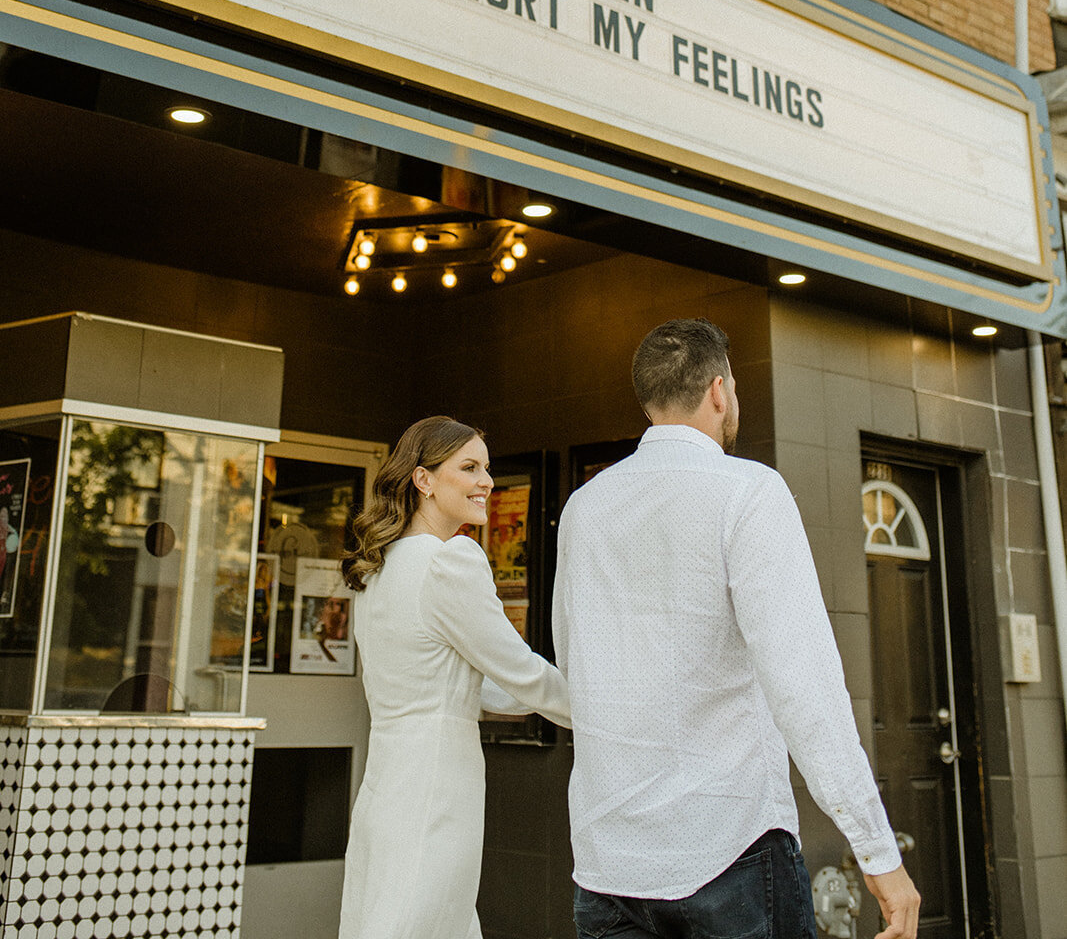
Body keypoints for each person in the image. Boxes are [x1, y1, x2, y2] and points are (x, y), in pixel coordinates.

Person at [552, 318, 921, 939]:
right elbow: (804, 684)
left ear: (649, 399)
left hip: (608, 855)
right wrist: (877, 852)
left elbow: (574, 663)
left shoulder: (585, 506)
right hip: (728, 846)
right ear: (719, 390)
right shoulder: (748, 491)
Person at [338, 415, 570, 939]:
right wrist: (614, 712)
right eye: (469, 467)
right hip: (438, 789)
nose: (486, 481)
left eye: (486, 468)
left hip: (386, 785)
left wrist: (538, 697)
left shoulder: (374, 571)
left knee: (395, 919)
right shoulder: (451, 562)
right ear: (424, 480)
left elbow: (475, 687)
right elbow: (524, 673)